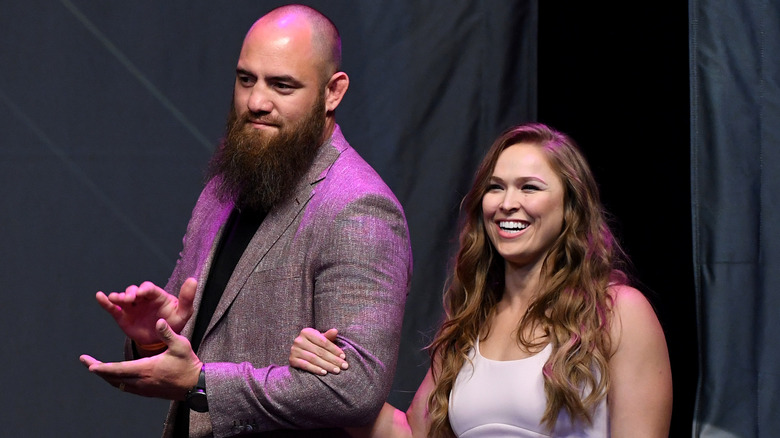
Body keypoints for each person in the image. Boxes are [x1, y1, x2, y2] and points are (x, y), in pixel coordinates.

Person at [79, 4, 412, 437]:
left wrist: (203, 384)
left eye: (282, 85)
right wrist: (156, 336)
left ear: (333, 92)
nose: (256, 101)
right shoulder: (224, 187)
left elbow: (357, 389)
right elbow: (191, 342)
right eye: (245, 79)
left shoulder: (358, 206)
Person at [288, 123, 673, 437]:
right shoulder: (470, 322)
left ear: (571, 205)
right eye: (495, 186)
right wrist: (333, 373)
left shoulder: (618, 312)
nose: (506, 202)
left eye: (529, 187)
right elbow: (411, 434)